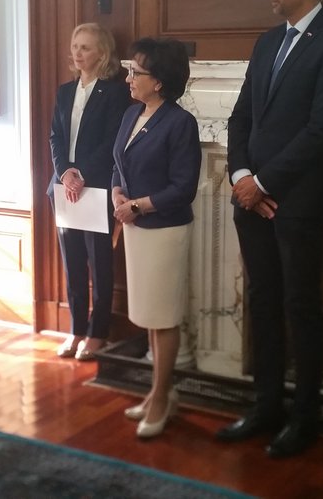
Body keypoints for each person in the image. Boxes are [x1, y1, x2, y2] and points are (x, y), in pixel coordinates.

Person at [220, 0, 323, 459]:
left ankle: (304, 418)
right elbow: (241, 117)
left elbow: (322, 129)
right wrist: (242, 176)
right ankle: (266, 406)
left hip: (297, 201)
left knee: (300, 306)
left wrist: (264, 182)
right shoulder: (266, 41)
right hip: (252, 198)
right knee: (262, 300)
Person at [111, 37, 201, 439]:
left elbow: (183, 188)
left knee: (163, 318)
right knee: (149, 315)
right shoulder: (131, 113)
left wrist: (137, 205)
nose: (128, 78)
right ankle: (156, 392)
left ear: (159, 81)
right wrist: (117, 193)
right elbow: (119, 164)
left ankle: (162, 397)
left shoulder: (181, 123)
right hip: (136, 229)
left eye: (136, 72)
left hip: (165, 232)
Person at [47, 23, 128, 360]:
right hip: (64, 187)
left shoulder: (115, 93)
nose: (78, 53)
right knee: (73, 263)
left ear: (102, 53)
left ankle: (98, 333)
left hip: (96, 188)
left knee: (100, 263)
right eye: (75, 46)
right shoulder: (65, 91)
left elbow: (113, 141)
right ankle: (77, 329)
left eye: (86, 47)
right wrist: (65, 172)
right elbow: (55, 136)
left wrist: (82, 174)